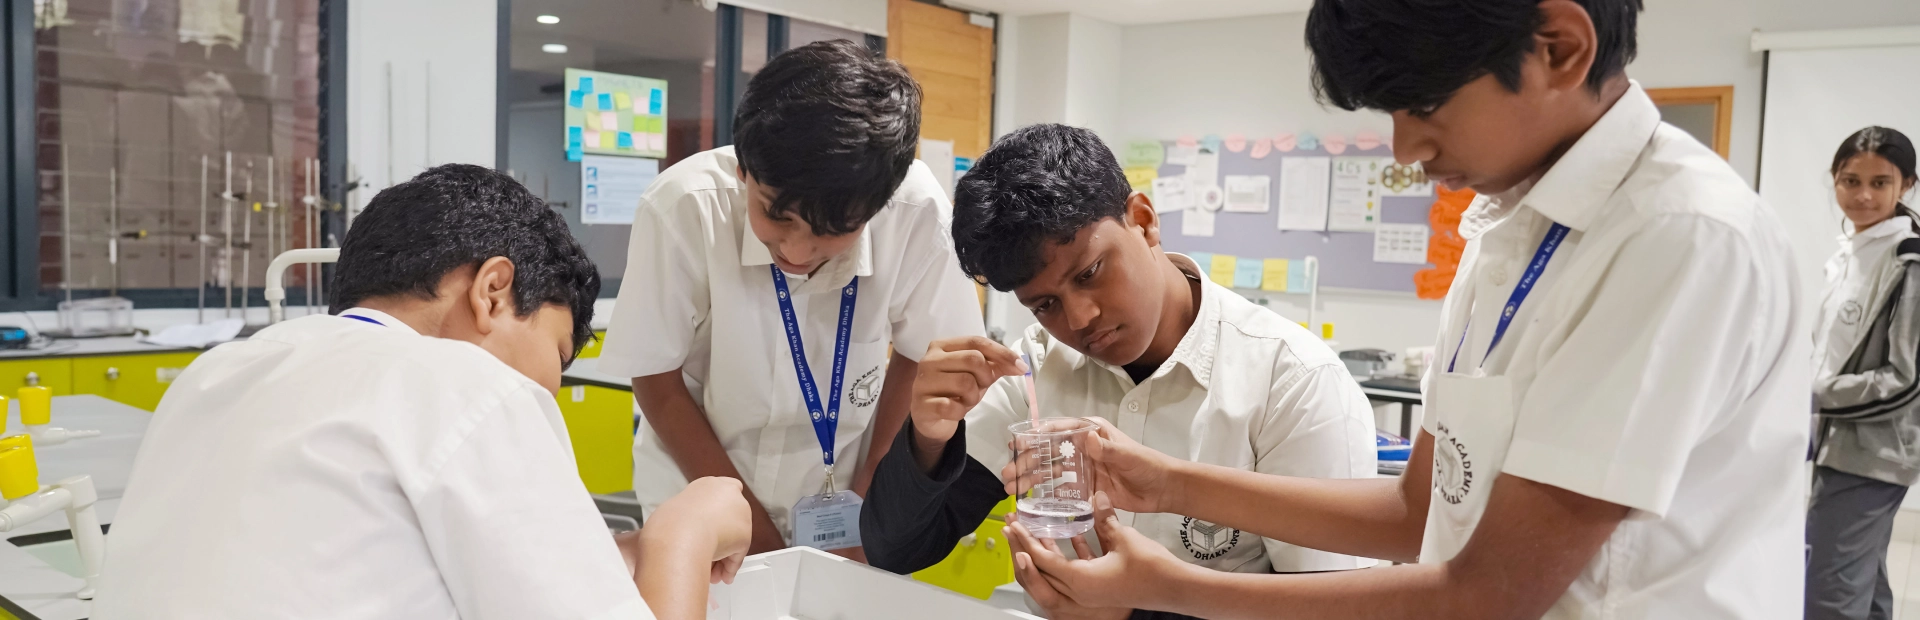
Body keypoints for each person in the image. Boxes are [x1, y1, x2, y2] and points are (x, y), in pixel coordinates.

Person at [1001, 0, 1811, 618]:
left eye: (1422, 104)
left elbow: (1489, 592)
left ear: (1560, 48)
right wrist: (1169, 482)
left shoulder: (1676, 237)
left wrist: (1175, 588)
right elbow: (1418, 507)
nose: (1404, 149)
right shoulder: (1507, 231)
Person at [93, 164, 751, 620]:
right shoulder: (467, 385)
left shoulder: (219, 373)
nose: (541, 395)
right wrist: (684, 532)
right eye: (548, 363)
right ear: (493, 290)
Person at [859, 123, 1380, 620]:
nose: (1079, 319)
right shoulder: (1039, 365)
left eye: (1090, 273)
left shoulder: (1292, 383)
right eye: (1044, 305)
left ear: (1144, 219)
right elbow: (898, 548)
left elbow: (1337, 609)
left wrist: (1129, 614)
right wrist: (929, 438)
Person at [597, 39, 984, 559]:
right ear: (744, 171)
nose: (797, 250)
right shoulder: (685, 207)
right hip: (697, 491)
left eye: (833, 229)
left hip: (842, 501)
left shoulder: (915, 210)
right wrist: (749, 529)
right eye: (775, 216)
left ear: (878, 205)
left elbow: (923, 352)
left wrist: (871, 497)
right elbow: (656, 377)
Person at [1808, 126, 1920, 620]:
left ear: (1908, 185)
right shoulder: (1850, 251)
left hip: (1871, 452)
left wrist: (1812, 396)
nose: (1863, 195)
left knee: (1830, 593)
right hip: (1840, 443)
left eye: (1880, 182)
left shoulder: (1907, 261)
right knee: (1862, 583)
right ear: (1834, 180)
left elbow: (1906, 379)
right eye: (1850, 180)